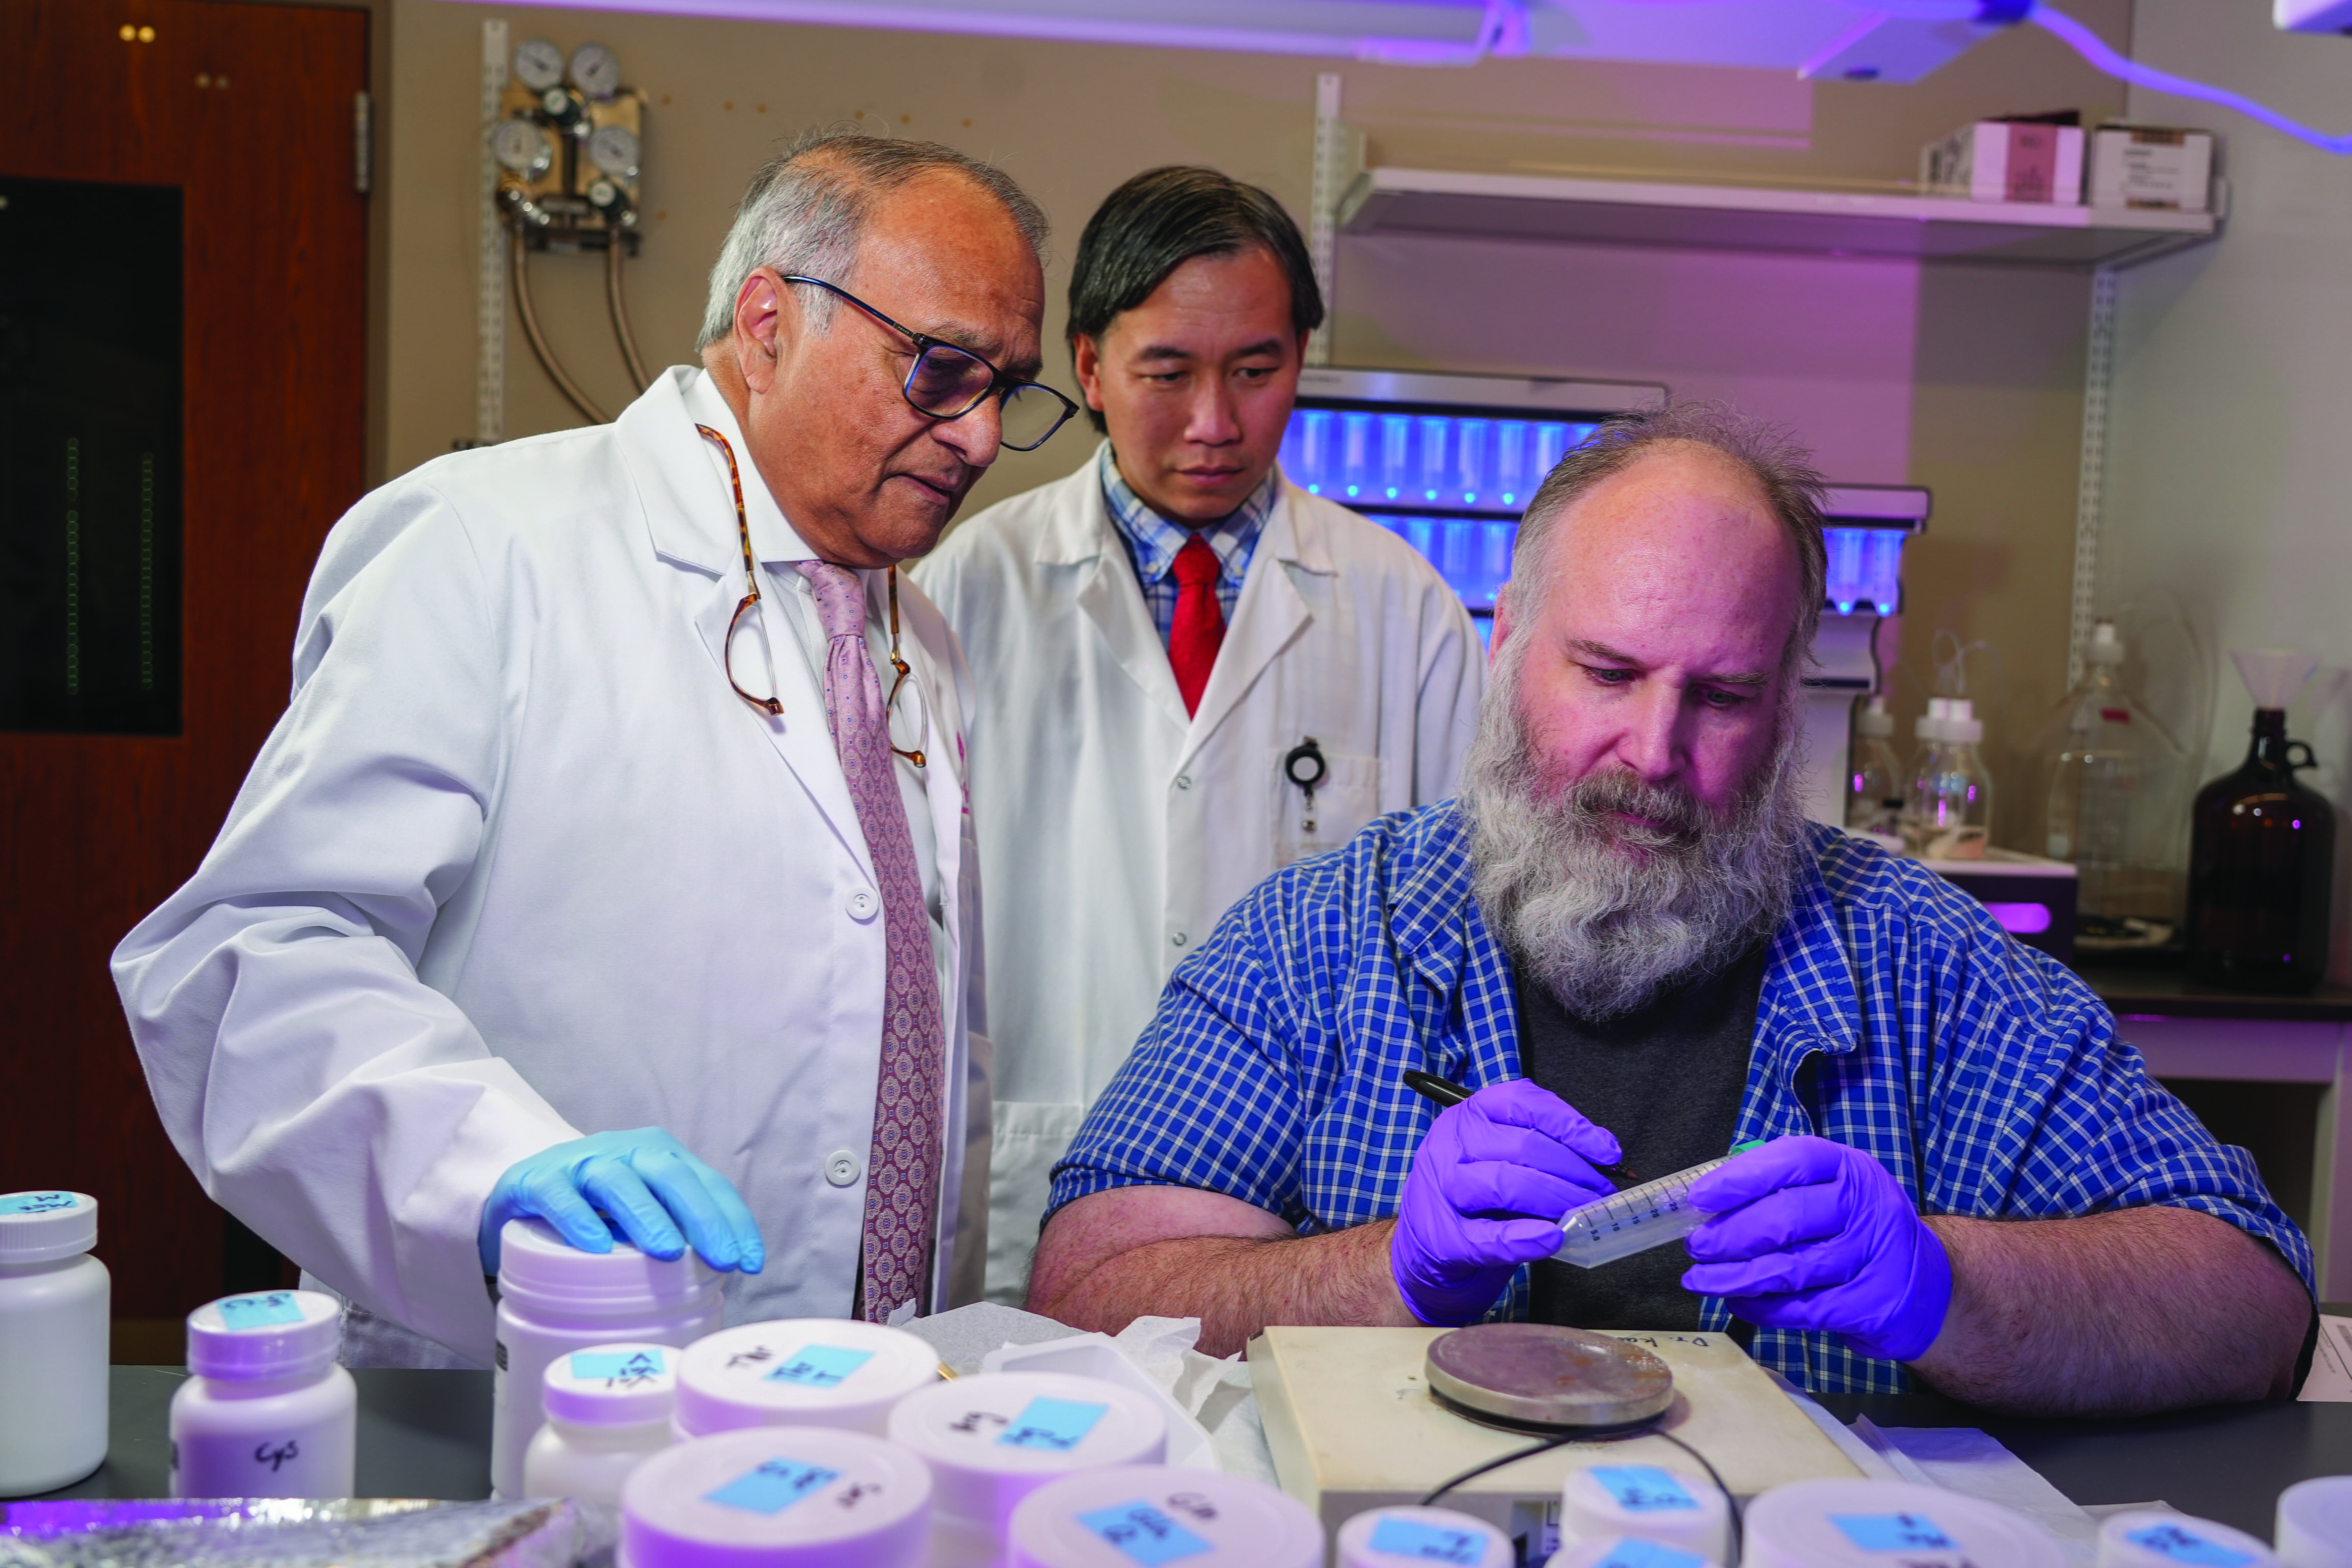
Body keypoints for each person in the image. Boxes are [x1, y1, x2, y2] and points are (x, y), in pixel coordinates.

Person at [1027, 404, 2315, 1414]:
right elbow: (1087, 1292)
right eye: (1608, 671)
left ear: (1787, 704)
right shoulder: (1324, 936)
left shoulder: (1922, 965)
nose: (1654, 749)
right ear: (1508, 642)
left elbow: (2255, 1302)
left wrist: (1940, 1284)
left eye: (1723, 695)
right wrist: (1389, 1273)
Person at [111, 131, 1083, 1367]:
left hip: (851, 1405)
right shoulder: (488, 543)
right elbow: (253, 953)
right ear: (771, 320)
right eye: (943, 372)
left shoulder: (917, 639)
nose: (984, 439)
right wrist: (490, 1164)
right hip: (532, 1372)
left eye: (1009, 387)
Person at [913, 167, 1484, 1303]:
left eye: (1257, 372)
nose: (1215, 423)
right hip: (1042, 1147)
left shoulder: (1403, 607)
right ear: (1088, 367)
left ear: (1300, 360)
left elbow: (1465, 920)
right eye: (1167, 373)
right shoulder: (968, 589)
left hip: (1306, 1191)